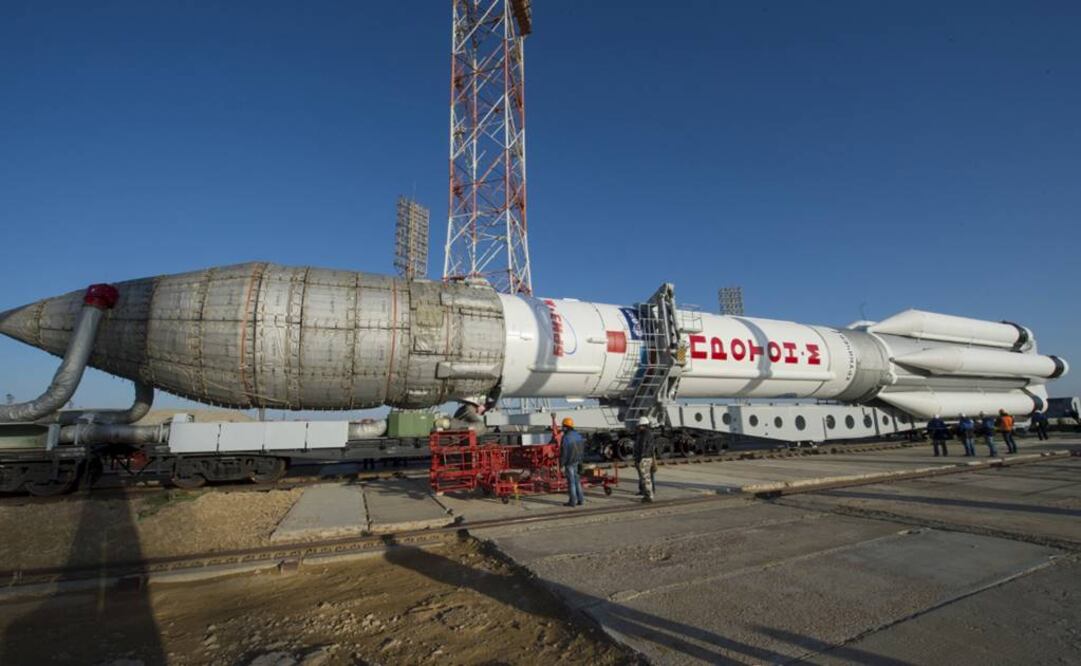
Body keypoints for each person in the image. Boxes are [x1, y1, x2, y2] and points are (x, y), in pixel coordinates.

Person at [559, 417, 585, 507]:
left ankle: (572, 501)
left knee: (571, 482)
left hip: (569, 462)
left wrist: (561, 464)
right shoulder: (578, 435)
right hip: (577, 461)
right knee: (577, 481)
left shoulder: (566, 438)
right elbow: (582, 449)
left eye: (563, 427)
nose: (562, 428)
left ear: (566, 427)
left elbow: (564, 453)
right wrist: (581, 461)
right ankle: (581, 500)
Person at [633, 416, 657, 503]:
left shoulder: (644, 434)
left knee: (646, 478)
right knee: (646, 477)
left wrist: (639, 458)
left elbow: (642, 447)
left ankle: (649, 496)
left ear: (642, 425)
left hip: (644, 459)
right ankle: (648, 494)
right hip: (647, 457)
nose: (638, 427)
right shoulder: (648, 433)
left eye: (639, 426)